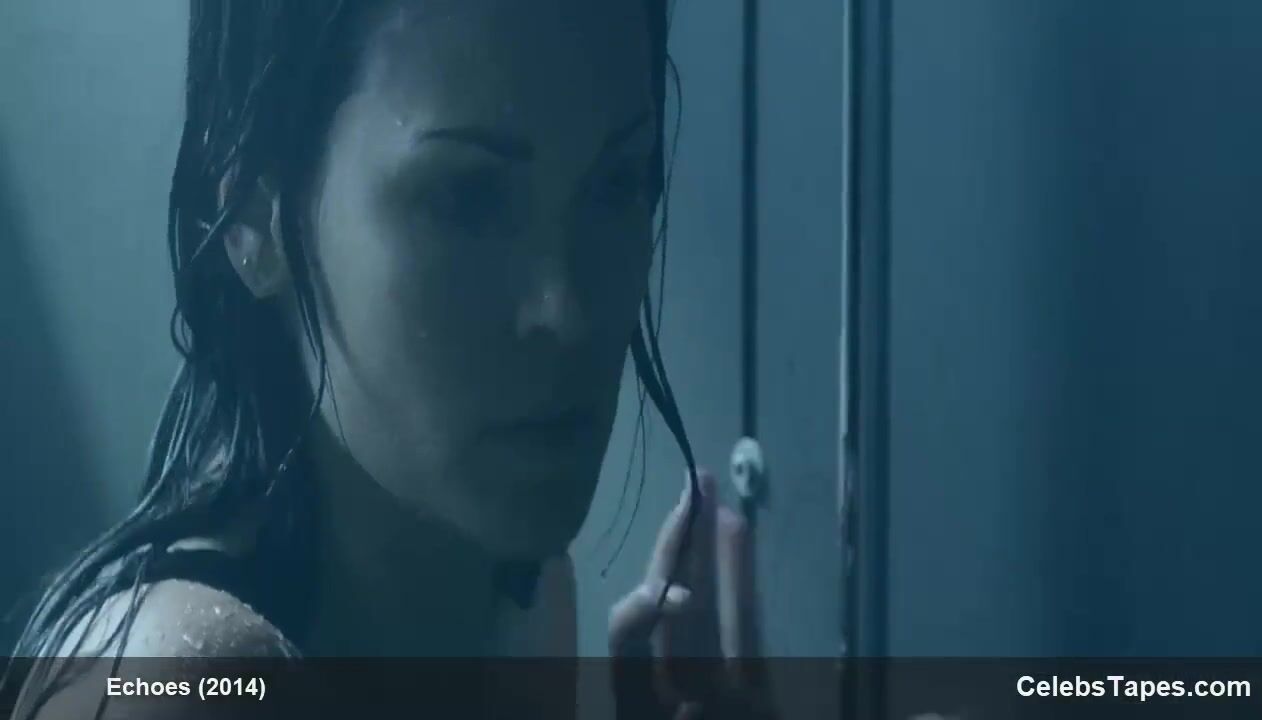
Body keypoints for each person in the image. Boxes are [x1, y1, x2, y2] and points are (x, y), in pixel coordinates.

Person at [4, 1, 774, 718]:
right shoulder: (184, 684)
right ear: (254, 218)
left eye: (617, 181)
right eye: (466, 197)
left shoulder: (518, 595)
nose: (567, 310)